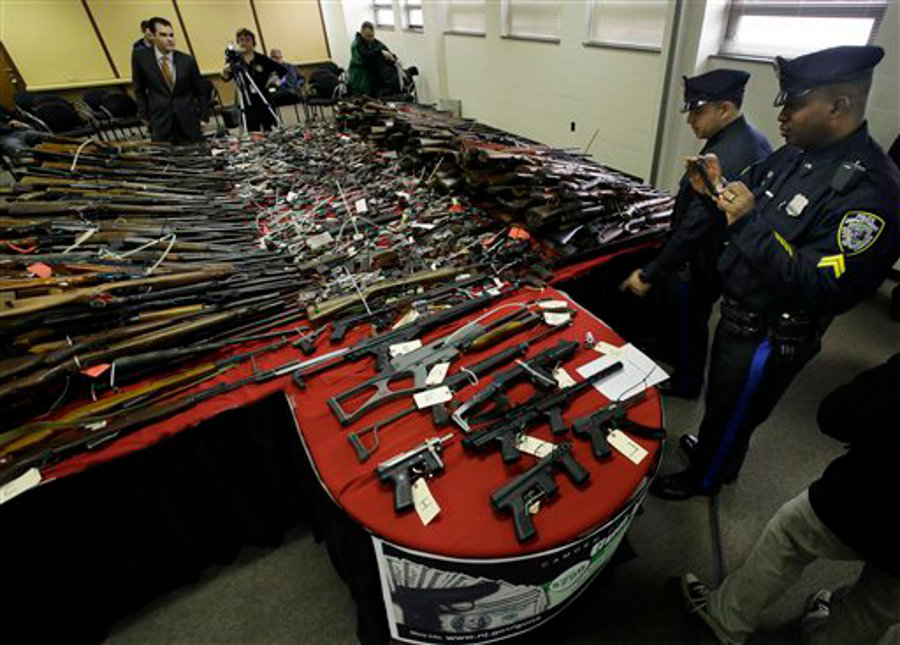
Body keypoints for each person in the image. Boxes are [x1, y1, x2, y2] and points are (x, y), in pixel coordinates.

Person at [650, 45, 900, 501]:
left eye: (795, 103)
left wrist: (745, 221)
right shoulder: (795, 153)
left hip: (771, 334)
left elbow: (822, 284)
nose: (781, 115)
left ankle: (704, 479)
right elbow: (752, 203)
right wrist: (715, 188)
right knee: (723, 406)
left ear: (838, 106)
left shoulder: (871, 191)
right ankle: (715, 452)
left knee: (737, 412)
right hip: (738, 315)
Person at [682, 354, 900, 644]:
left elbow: (836, 414)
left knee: (790, 537)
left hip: (872, 499)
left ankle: (727, 617)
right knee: (878, 604)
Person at [620, 69, 772, 398]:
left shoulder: (726, 155)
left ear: (725, 109)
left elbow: (696, 226)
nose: (691, 121)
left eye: (698, 112)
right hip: (722, 253)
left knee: (691, 323)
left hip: (702, 260)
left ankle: (688, 382)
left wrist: (650, 271)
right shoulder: (749, 140)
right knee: (689, 318)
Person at [132, 17, 208, 144]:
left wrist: (204, 117)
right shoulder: (142, 59)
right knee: (166, 159)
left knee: (195, 157)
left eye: (171, 35)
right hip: (160, 121)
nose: (169, 39)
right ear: (152, 36)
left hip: (188, 120)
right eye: (163, 35)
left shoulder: (187, 60)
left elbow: (200, 90)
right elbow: (139, 89)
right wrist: (144, 116)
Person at [221, 29, 285, 132]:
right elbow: (225, 78)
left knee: (270, 127)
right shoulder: (235, 60)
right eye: (241, 40)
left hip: (263, 96)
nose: (244, 43)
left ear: (253, 42)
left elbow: (282, 70)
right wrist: (225, 71)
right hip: (246, 100)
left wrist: (273, 80)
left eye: (247, 40)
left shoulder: (261, 59)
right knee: (252, 130)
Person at [347, 21, 396, 97]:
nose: (371, 39)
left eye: (372, 36)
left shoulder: (374, 42)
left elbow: (384, 49)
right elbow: (366, 58)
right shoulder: (356, 45)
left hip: (372, 80)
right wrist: (380, 53)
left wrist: (392, 57)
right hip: (359, 79)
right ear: (362, 33)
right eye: (368, 36)